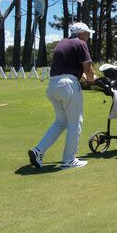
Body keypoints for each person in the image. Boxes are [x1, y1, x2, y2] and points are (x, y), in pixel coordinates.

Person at [28, 22, 96, 169]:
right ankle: (69, 160)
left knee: (60, 122)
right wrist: (91, 78)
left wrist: (82, 74)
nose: (89, 36)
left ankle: (38, 151)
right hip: (68, 86)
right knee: (75, 122)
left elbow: (69, 66)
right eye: (87, 33)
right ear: (81, 33)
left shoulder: (63, 43)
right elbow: (88, 68)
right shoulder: (80, 43)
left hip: (53, 86)